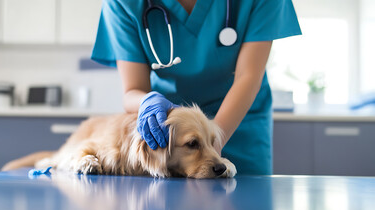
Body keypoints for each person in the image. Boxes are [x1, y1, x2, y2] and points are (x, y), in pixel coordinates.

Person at [91, 0, 301, 175]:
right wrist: (147, 101)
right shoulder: (122, 3)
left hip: (240, 126)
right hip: (170, 142)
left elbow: (248, 78)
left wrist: (211, 148)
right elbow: (132, 91)